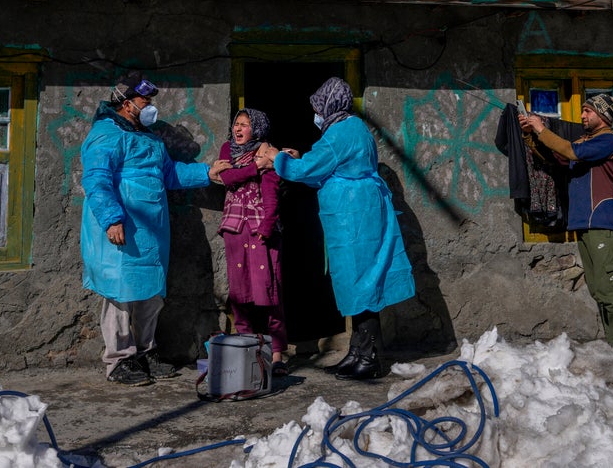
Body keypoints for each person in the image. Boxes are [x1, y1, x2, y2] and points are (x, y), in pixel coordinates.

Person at [80, 74, 230, 386]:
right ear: (126, 103)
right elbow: (96, 179)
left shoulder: (149, 137)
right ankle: (119, 360)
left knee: (151, 294)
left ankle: (146, 352)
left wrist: (207, 172)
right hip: (123, 227)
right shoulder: (105, 134)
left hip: (151, 230)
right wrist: (111, 219)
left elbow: (170, 173)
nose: (149, 107)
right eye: (145, 101)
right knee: (119, 294)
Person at [266, 77, 415, 380]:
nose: (317, 114)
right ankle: (357, 351)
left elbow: (307, 171)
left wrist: (276, 157)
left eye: (318, 107)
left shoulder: (339, 133)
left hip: (353, 218)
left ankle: (370, 358)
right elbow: (326, 166)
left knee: (362, 284)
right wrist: (300, 159)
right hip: (358, 213)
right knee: (358, 283)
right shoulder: (354, 128)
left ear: (328, 104)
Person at [520, 93, 613, 351]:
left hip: (601, 223)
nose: (582, 116)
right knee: (598, 291)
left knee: (611, 292)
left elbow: (571, 151)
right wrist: (531, 135)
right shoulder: (586, 141)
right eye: (583, 111)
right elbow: (555, 157)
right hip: (584, 223)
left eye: (588, 111)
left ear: (603, 115)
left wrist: (541, 127)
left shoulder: (608, 140)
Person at [217, 108, 289, 376]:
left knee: (269, 291)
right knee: (240, 292)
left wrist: (268, 225)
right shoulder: (228, 149)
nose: (238, 129)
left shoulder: (267, 152)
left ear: (256, 129)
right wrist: (254, 167)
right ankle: (245, 348)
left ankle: (278, 354)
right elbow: (227, 177)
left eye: (245, 125)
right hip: (235, 228)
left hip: (261, 230)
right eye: (236, 123)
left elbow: (271, 190)